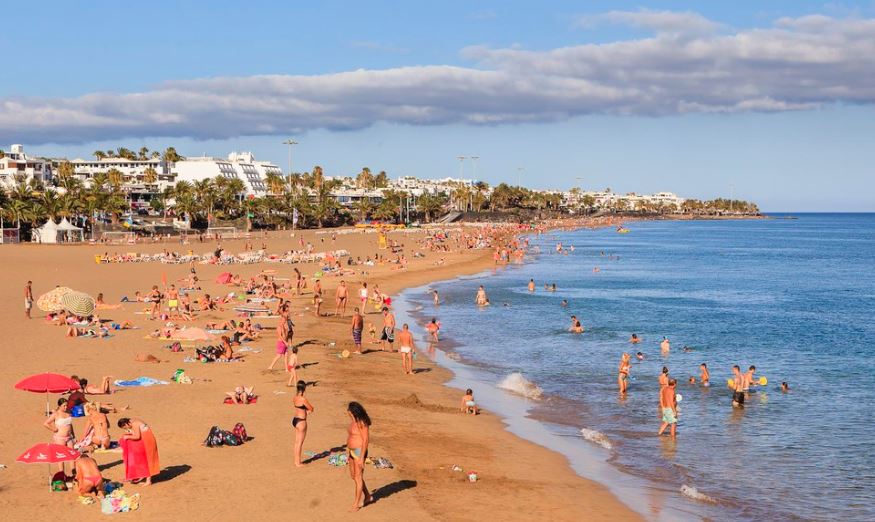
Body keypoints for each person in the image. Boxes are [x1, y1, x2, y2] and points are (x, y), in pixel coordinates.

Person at [346, 402, 373, 511]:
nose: (347, 413)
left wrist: (362, 457)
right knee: (354, 476)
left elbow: (366, 440)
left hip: (359, 452)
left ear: (353, 411)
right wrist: (348, 453)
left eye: (348, 411)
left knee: (358, 477)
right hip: (352, 451)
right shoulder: (353, 421)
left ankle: (356, 504)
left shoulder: (362, 423)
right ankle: (368, 496)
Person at [118, 417, 160, 485]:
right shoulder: (133, 421)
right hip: (147, 439)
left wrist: (127, 437)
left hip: (147, 441)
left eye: (125, 427)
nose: (126, 429)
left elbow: (137, 436)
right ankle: (143, 476)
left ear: (126, 424)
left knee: (147, 459)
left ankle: (148, 481)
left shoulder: (135, 423)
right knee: (145, 459)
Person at [44, 398, 75, 471]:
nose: (66, 407)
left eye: (66, 405)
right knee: (61, 456)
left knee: (72, 454)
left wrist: (73, 435)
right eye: (64, 406)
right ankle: (62, 473)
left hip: (69, 437)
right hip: (60, 438)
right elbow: (46, 423)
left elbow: (70, 425)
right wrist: (53, 429)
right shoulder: (56, 414)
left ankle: (73, 471)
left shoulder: (68, 412)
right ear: (59, 406)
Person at [292, 381, 314, 467]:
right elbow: (311, 408)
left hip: (295, 420)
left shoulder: (295, 397)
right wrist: (308, 412)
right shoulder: (303, 399)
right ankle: (298, 463)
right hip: (301, 421)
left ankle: (296, 461)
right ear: (304, 388)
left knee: (296, 442)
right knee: (299, 443)